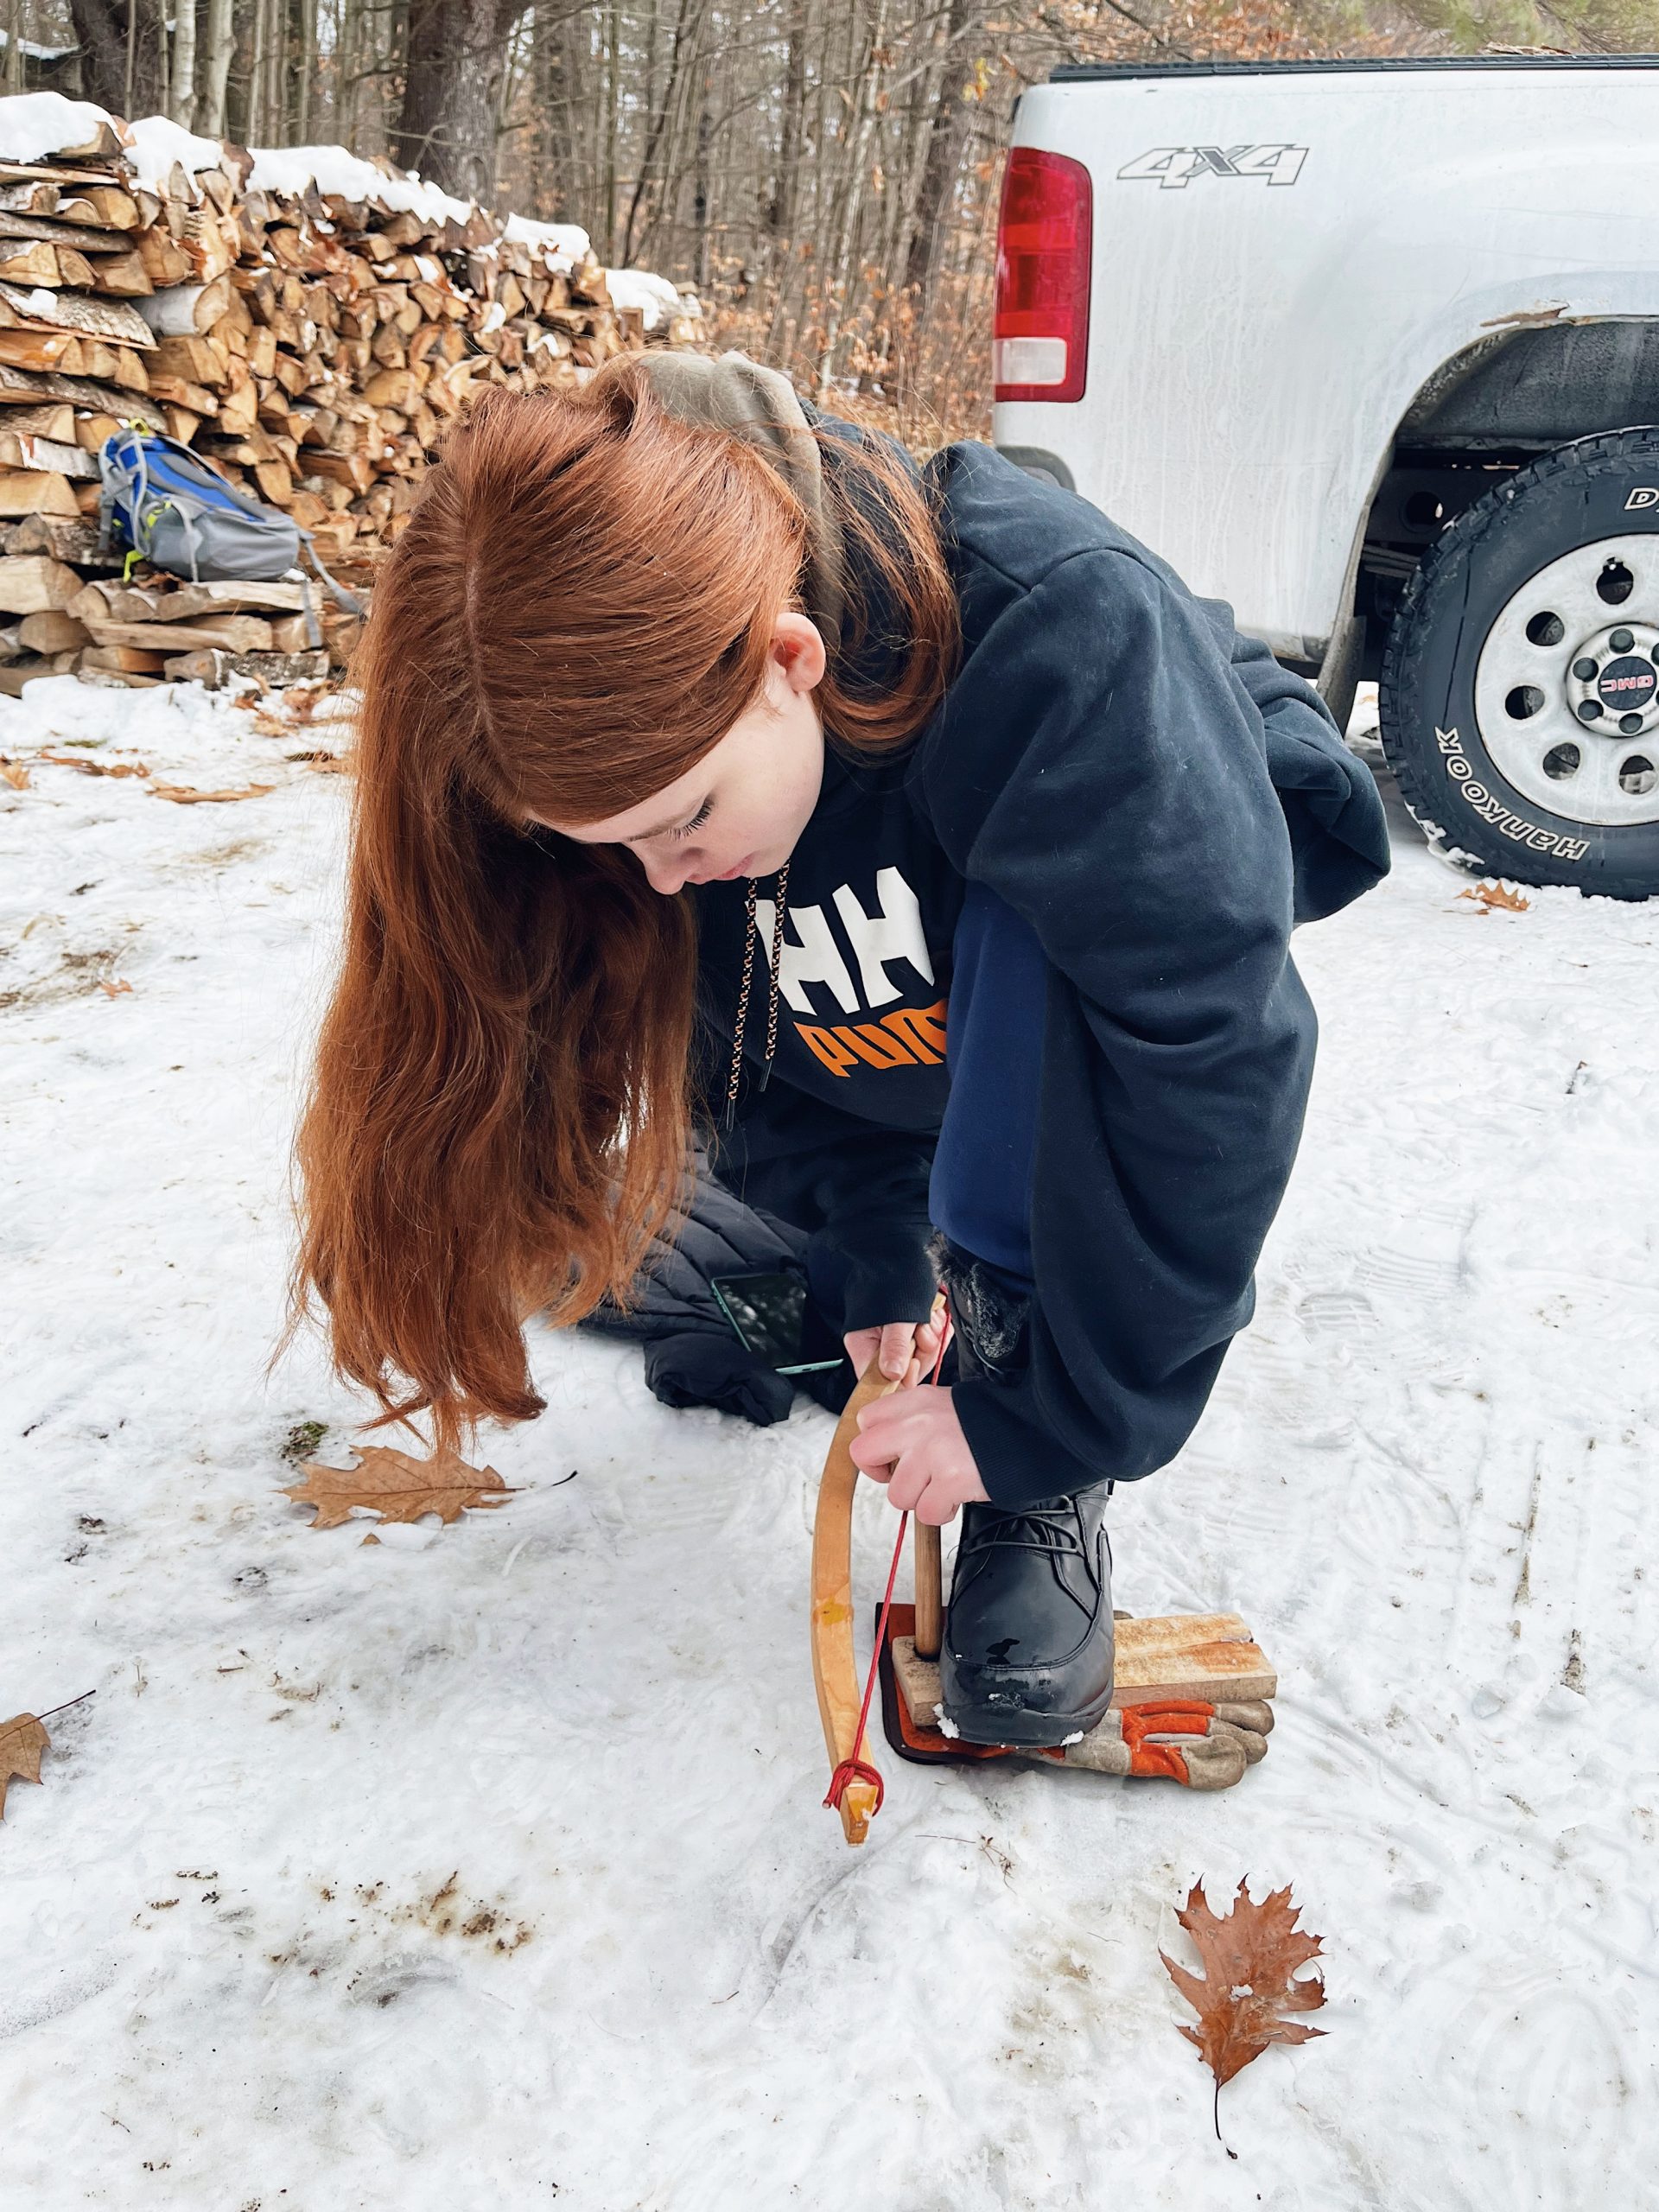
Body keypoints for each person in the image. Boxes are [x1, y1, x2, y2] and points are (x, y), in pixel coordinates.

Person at [288, 349, 1389, 1749]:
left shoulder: (1062, 641)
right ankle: (864, 1250)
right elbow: (729, 1018)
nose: (666, 873)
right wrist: (869, 1240)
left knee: (1018, 950)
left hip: (1136, 890)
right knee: (688, 1204)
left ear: (785, 662)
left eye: (680, 819)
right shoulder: (668, 769)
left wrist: (1051, 1419)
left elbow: (1207, 1063)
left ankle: (1017, 1396)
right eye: (620, 842)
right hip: (885, 939)